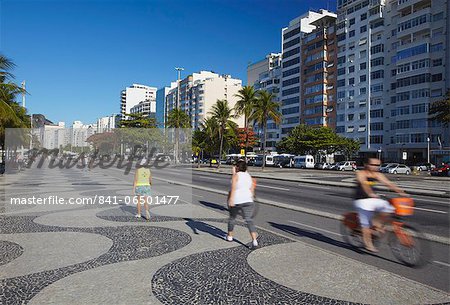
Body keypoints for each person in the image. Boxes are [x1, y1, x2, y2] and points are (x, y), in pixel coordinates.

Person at [354, 157, 408, 252]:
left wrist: (401, 192)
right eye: (373, 165)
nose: (376, 167)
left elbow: (388, 183)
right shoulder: (361, 173)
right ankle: (368, 244)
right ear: (366, 165)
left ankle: (376, 224)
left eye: (378, 165)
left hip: (372, 199)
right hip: (361, 200)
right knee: (365, 223)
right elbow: (364, 184)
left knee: (389, 209)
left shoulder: (377, 174)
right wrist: (370, 193)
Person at [226, 160, 258, 248]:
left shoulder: (236, 176)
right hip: (248, 200)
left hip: (237, 200)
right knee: (249, 220)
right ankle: (254, 240)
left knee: (232, 218)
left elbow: (233, 188)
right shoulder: (248, 176)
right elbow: (251, 189)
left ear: (237, 167)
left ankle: (230, 236)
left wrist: (231, 199)